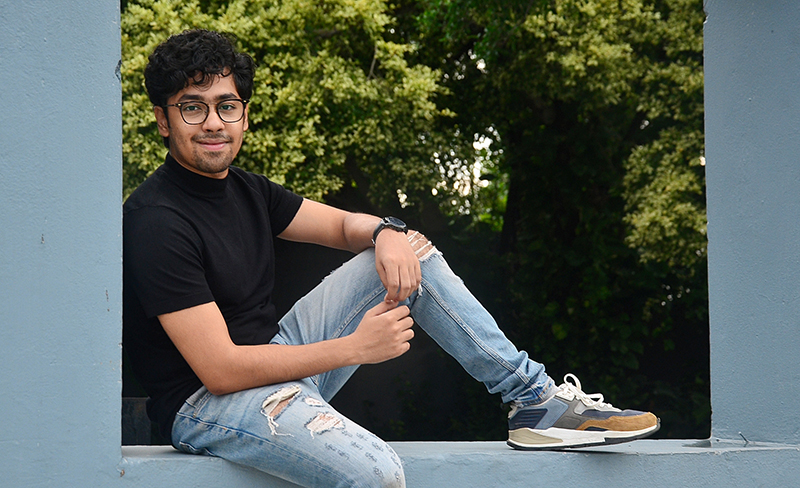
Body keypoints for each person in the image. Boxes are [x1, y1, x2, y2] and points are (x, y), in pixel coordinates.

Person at [123, 29, 660, 487]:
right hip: (206, 404)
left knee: (410, 252)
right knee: (378, 474)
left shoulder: (247, 189)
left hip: (274, 361)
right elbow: (219, 370)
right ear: (163, 120)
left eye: (227, 105)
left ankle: (534, 400)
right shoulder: (156, 220)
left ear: (244, 115)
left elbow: (342, 226)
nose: (213, 122)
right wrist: (354, 348)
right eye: (192, 107)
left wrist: (386, 231)